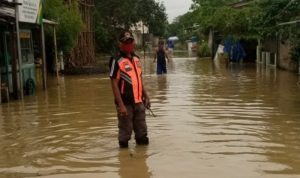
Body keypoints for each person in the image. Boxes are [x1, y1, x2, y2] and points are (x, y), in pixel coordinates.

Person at [109, 30, 151, 148]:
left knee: (142, 134)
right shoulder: (116, 60)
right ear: (120, 44)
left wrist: (146, 96)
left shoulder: (137, 59)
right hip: (125, 104)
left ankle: (141, 162)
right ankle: (125, 161)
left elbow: (139, 80)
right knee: (125, 135)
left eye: (130, 41)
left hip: (139, 102)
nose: (128, 44)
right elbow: (113, 82)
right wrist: (120, 105)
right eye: (126, 42)